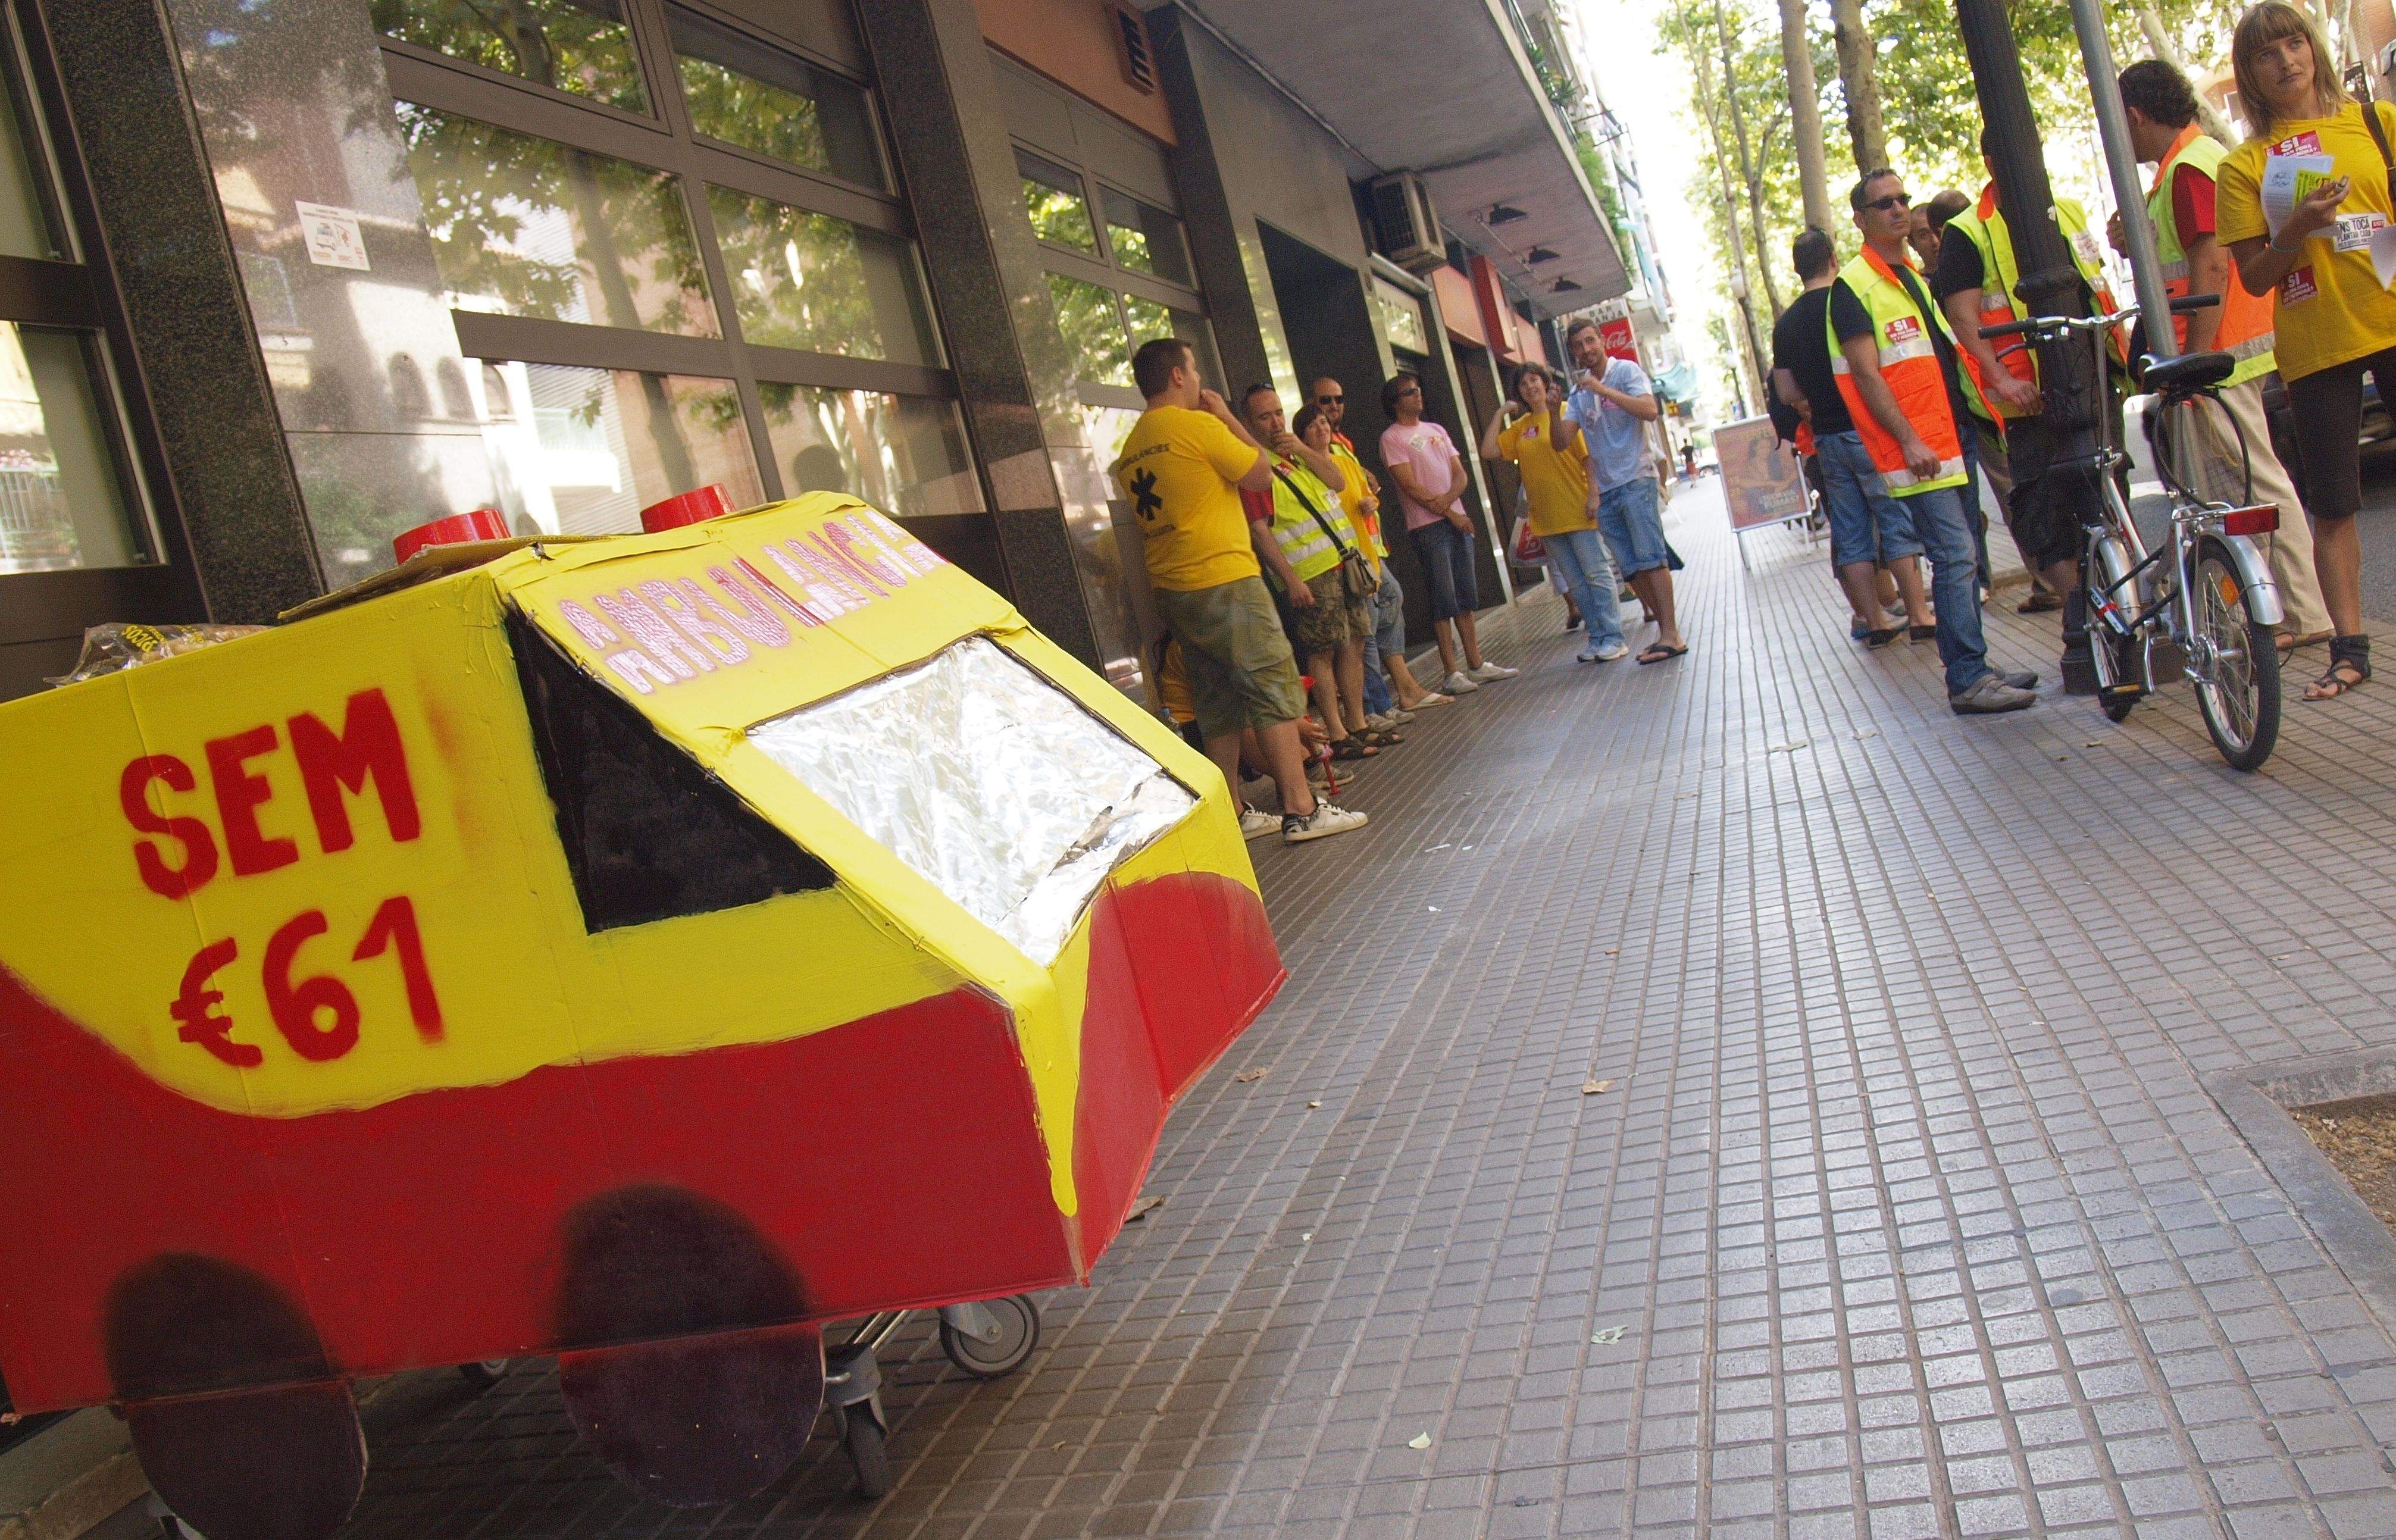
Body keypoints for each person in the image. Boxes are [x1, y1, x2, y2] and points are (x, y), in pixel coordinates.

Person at [2114, 57, 2336, 658]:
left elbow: (2210, 264)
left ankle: (2306, 611)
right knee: (2243, 483)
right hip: (2225, 349)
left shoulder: (2189, 167)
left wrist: (2196, 357)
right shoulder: (2189, 162)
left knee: (2256, 482)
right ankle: (2284, 608)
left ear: (2133, 115)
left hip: (2219, 354)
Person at [1112, 338, 1366, 842]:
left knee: (1216, 700)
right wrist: (1228, 416)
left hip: (1174, 586)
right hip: (1225, 577)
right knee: (1272, 685)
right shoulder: (1197, 425)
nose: (1201, 380)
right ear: (1178, 376)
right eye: (1195, 368)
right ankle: (1301, 807)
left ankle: (1231, 808)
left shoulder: (1133, 446)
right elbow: (1258, 474)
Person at [2218, 0, 2393, 700]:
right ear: (2251, 75)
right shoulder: (2246, 165)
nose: (2286, 60)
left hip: (2390, 318)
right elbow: (2255, 275)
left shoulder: (2375, 124)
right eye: (2267, 54)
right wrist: (2296, 229)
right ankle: (2349, 649)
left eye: (2294, 44)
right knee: (2333, 502)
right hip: (2317, 344)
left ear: (2313, 48)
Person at [1830, 170, 2040, 714]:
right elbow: (1868, 374)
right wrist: (1909, 440)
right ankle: (1967, 677)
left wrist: (1994, 394)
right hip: (1919, 451)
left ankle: (1974, 666)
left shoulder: (1911, 279)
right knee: (1956, 555)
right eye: (1884, 205)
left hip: (1951, 438)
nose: (1899, 210)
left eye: (1902, 199)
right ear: (1860, 220)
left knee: (1963, 556)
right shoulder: (1855, 285)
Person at [1937, 129, 2126, 661]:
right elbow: (1963, 318)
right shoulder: (1968, 231)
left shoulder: (2064, 210)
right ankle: (2085, 612)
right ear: (1992, 161)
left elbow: (2097, 287)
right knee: (2044, 518)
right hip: (2028, 401)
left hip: (2091, 385)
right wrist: (2001, 380)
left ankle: (2117, 612)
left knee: (2107, 500)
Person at [1775, 225, 1938, 647]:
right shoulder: (1846, 300)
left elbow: (1787, 391)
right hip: (1869, 428)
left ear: (1797, 270)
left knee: (1849, 533)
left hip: (1826, 438)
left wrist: (1811, 403)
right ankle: (1919, 613)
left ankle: (1876, 620)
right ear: (1832, 259)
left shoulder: (1787, 325)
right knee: (1893, 519)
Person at [1238, 383, 1390, 760]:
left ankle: (1358, 724)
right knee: (1323, 651)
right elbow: (1259, 531)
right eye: (1264, 416)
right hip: (1310, 572)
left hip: (1343, 560)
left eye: (1278, 413)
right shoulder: (1255, 466)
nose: (1274, 422)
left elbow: (1337, 483)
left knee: (1355, 642)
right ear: (1249, 423)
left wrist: (1304, 448)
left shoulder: (1295, 454)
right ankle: (1336, 733)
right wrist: (1291, 580)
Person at [1309, 375, 1447, 719]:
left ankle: (1401, 690)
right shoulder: (1310, 450)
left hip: (1370, 547)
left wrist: (1370, 491)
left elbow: (1358, 489)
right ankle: (1380, 704)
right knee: (1365, 627)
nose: (1333, 408)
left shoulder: (1341, 443)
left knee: (1390, 602)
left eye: (1338, 400)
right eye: (1325, 402)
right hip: (1347, 553)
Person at [1379, 373, 1518, 693]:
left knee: (1465, 595)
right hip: (1428, 527)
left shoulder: (1437, 430)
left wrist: (1451, 506)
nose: (1418, 395)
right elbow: (1409, 485)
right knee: (1443, 598)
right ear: (1395, 402)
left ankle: (1476, 662)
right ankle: (1451, 672)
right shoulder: (1392, 437)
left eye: (1418, 389)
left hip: (1456, 519)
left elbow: (1460, 474)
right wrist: (1450, 513)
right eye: (1409, 392)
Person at [1481, 362, 1628, 663]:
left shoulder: (1565, 412)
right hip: (1545, 518)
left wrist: (1593, 495)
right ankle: (1597, 637)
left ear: (1545, 382)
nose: (1530, 388)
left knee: (1596, 573)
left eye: (1534, 380)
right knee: (1575, 582)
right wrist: (1499, 413)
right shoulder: (1521, 427)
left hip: (1576, 507)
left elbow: (1588, 458)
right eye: (1523, 385)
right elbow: (1488, 451)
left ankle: (1614, 636)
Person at [1563, 320, 1687, 663]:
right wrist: (1550, 405)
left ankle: (1672, 635)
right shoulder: (1577, 394)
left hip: (1637, 478)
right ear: (1573, 352)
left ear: (1602, 342)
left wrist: (1603, 391)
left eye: (1591, 341)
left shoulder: (1626, 372)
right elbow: (1562, 441)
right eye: (1578, 345)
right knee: (1631, 569)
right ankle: (1664, 634)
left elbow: (1650, 411)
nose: (1586, 349)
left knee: (1652, 559)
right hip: (1605, 491)